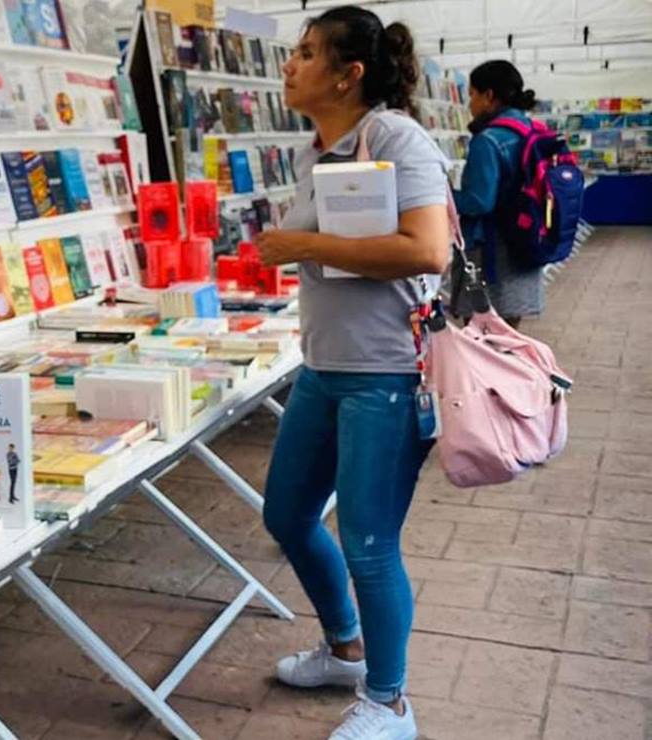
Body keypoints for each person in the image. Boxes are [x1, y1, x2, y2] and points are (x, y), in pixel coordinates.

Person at [253, 7, 450, 739]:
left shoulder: (396, 138)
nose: (290, 66)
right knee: (288, 514)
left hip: (386, 375)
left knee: (370, 541)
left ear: (348, 72)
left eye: (306, 53)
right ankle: (345, 649)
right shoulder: (316, 150)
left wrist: (303, 240)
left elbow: (427, 251)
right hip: (323, 368)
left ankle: (390, 701)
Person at [452, 60, 544, 327]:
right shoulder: (531, 130)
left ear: (489, 96)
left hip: (490, 251)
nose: (469, 104)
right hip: (526, 242)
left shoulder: (488, 140)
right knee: (508, 335)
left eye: (472, 95)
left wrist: (443, 195)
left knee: (482, 338)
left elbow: (479, 201)